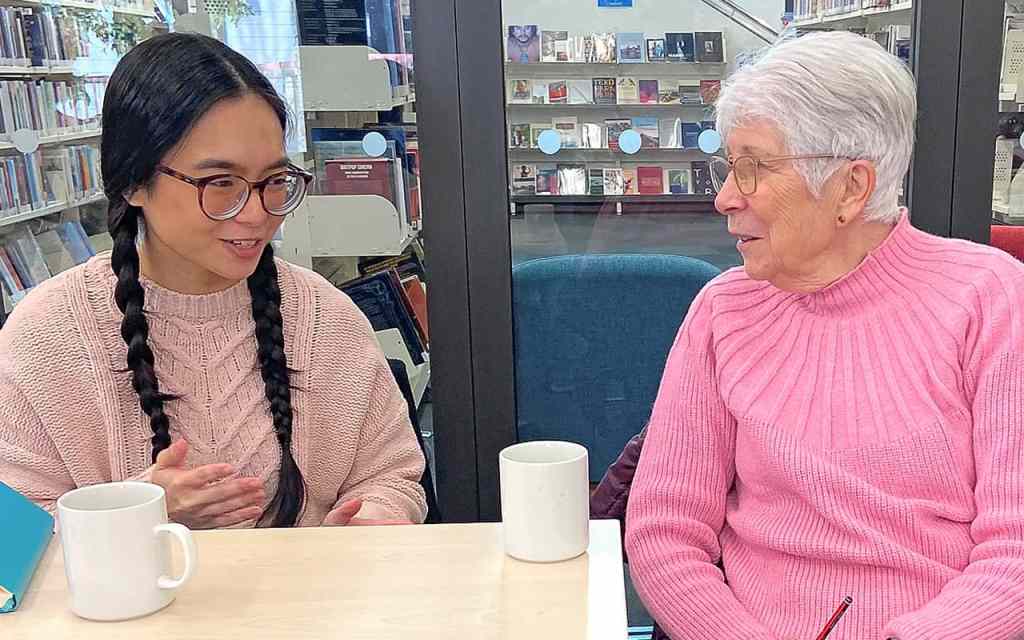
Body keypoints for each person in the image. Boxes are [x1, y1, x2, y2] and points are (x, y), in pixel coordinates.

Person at [626, 31, 1024, 640]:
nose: (725, 197)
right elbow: (664, 529)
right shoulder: (723, 311)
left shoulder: (991, 298)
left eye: (754, 168)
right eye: (729, 166)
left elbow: (1015, 550)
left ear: (851, 187)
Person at [0, 33, 427, 529]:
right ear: (133, 181)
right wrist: (132, 515)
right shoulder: (46, 337)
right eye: (220, 183)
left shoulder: (325, 319)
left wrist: (372, 520)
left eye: (274, 181)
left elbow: (391, 476)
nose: (256, 214)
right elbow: (12, 537)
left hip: (318, 583)